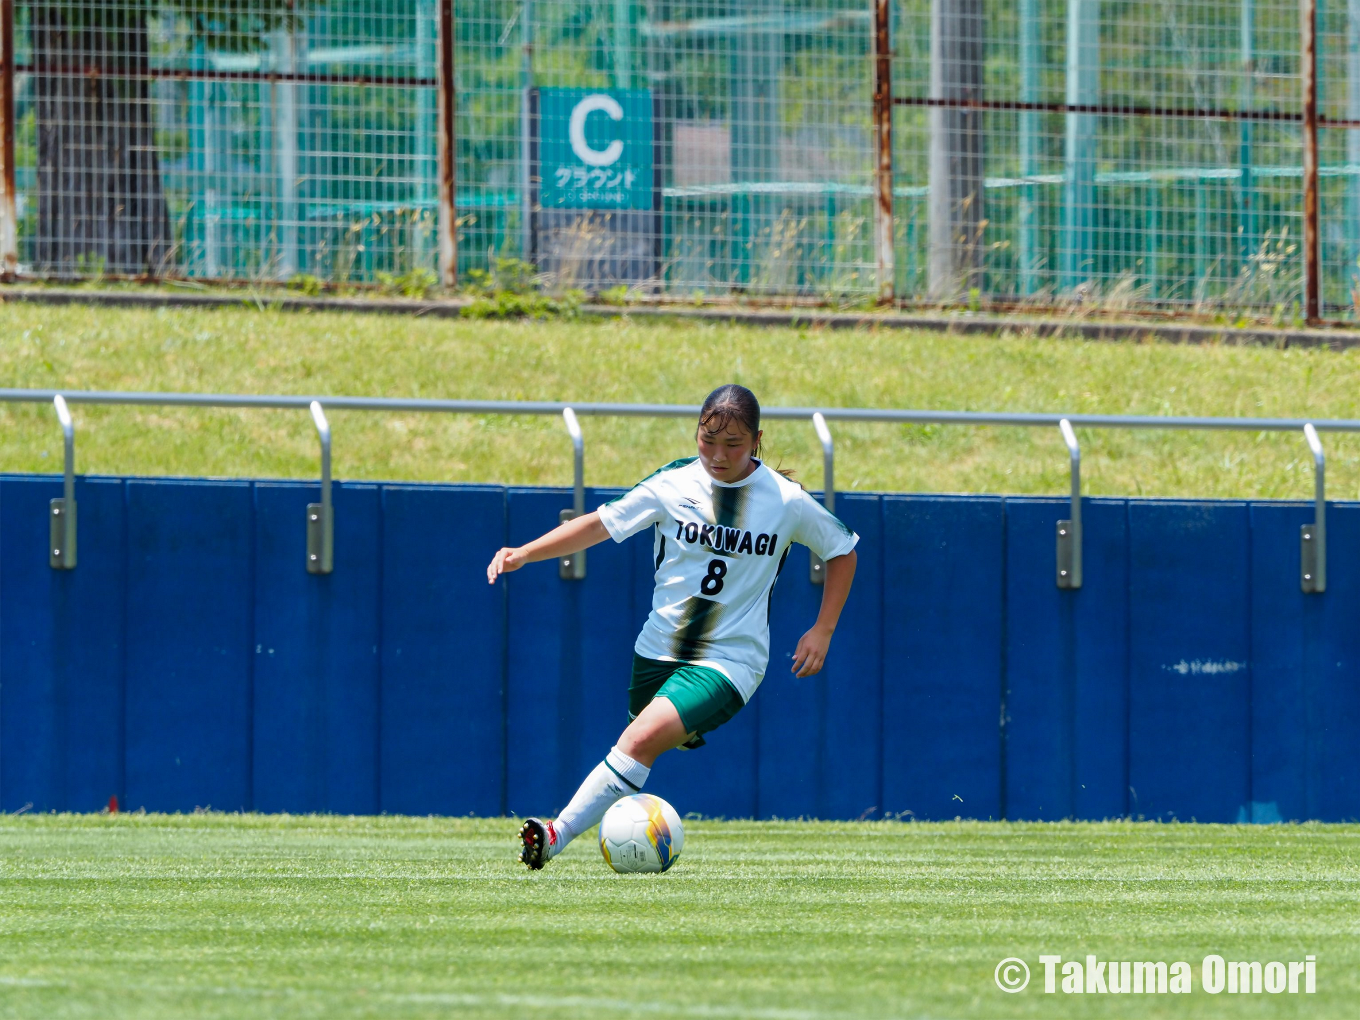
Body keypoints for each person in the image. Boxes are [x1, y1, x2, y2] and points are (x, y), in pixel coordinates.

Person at [485, 384, 858, 868]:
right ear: (696, 430)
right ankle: (686, 725)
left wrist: (823, 628)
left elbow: (842, 549)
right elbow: (599, 524)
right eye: (708, 440)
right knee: (644, 739)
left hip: (731, 660)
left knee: (637, 741)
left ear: (757, 440)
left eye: (734, 445)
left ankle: (554, 835)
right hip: (657, 650)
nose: (718, 455)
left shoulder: (785, 501)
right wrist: (525, 553)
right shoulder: (673, 483)